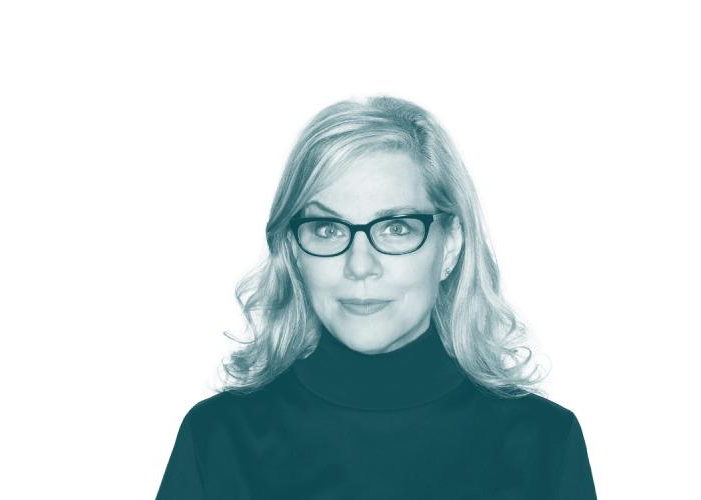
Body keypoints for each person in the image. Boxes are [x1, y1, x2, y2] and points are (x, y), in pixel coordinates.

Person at [155, 96, 597, 499]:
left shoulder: (544, 445)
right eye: (328, 229)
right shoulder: (217, 440)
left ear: (450, 246)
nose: (360, 265)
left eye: (396, 228)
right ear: (294, 251)